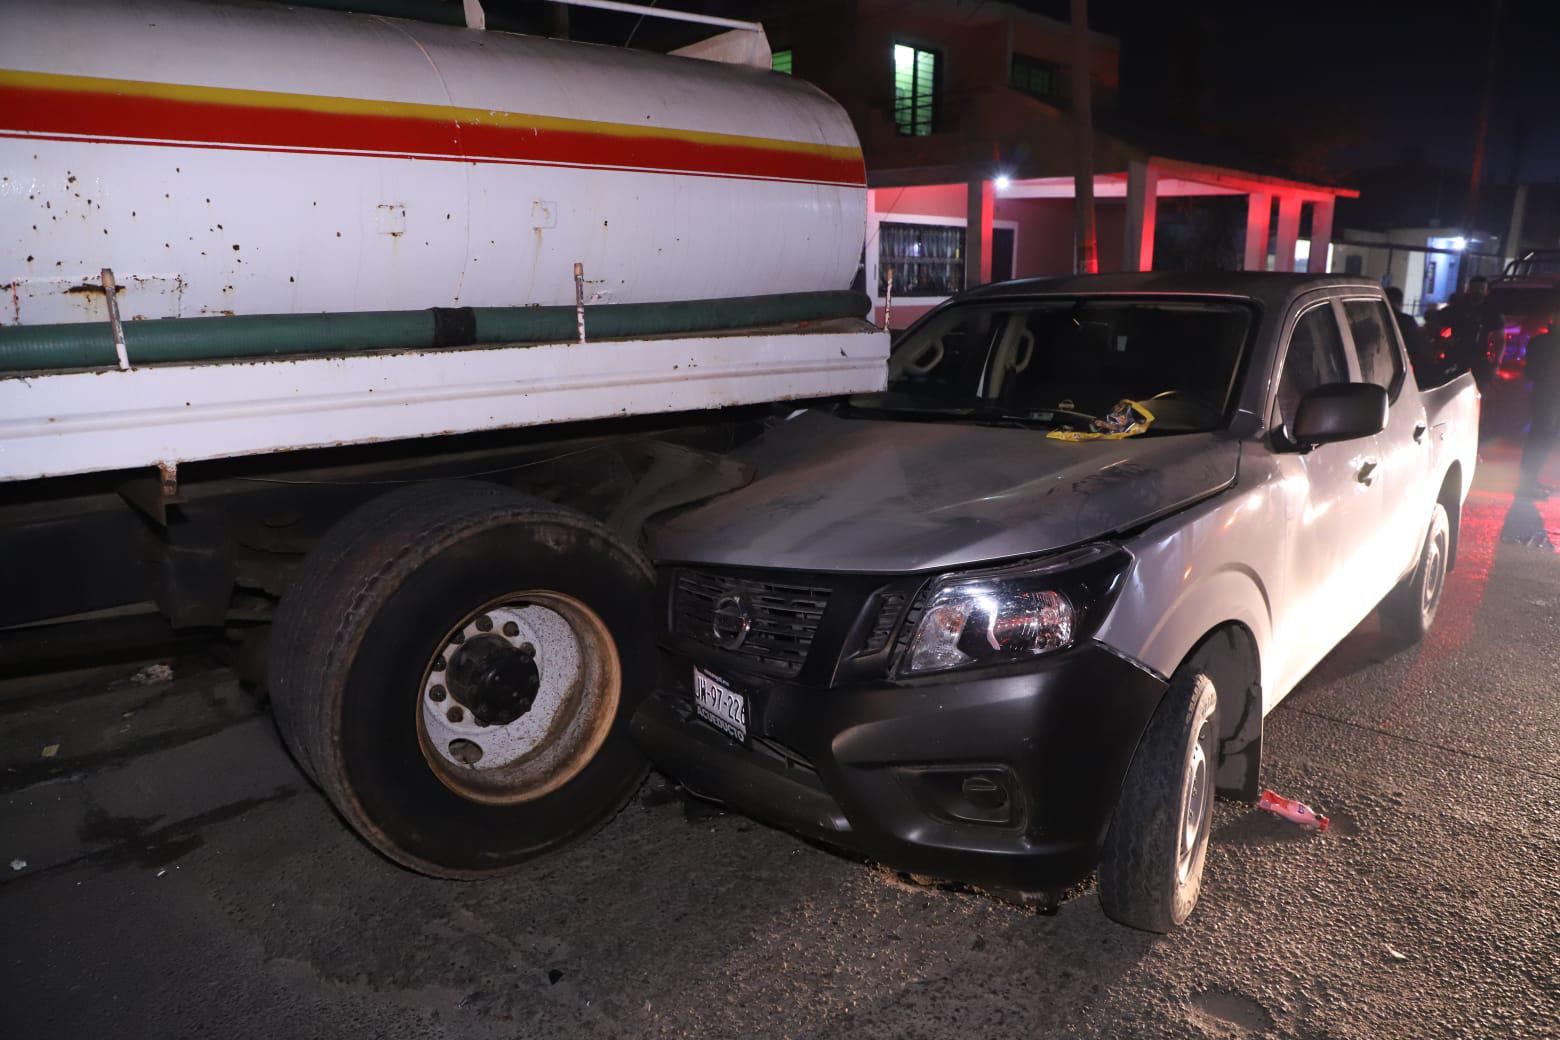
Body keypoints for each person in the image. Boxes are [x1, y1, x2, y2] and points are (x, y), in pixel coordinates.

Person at [1519, 317, 1558, 498]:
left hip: (1545, 392)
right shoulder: (1543, 342)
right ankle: (1527, 482)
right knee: (1541, 436)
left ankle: (1530, 480)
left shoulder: (1538, 341)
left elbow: (1530, 370)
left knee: (1542, 436)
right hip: (1548, 394)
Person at [1444, 275, 1504, 386]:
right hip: (1456, 357)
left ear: (1486, 291)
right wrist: (1444, 342)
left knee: (1479, 389)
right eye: (1475, 288)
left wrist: (1496, 363)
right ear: (1469, 289)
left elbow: (1499, 339)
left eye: (1481, 289)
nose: (1478, 292)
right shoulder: (1458, 308)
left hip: (1479, 359)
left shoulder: (1491, 312)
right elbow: (1435, 320)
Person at [1384, 286, 1429, 374]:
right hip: (1401, 364)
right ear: (1399, 302)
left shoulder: (1375, 317)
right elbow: (1417, 347)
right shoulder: (1407, 321)